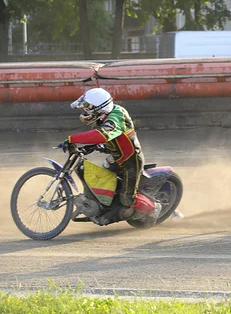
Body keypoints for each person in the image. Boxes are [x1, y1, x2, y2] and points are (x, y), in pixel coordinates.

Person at [59, 88, 161, 225]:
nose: (85, 111)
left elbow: (103, 135)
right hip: (115, 157)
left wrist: (72, 139)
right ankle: (104, 207)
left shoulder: (116, 117)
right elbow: (105, 140)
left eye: (88, 108)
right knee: (103, 180)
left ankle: (154, 208)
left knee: (127, 199)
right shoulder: (102, 117)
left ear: (99, 109)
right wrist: (89, 146)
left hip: (130, 161)